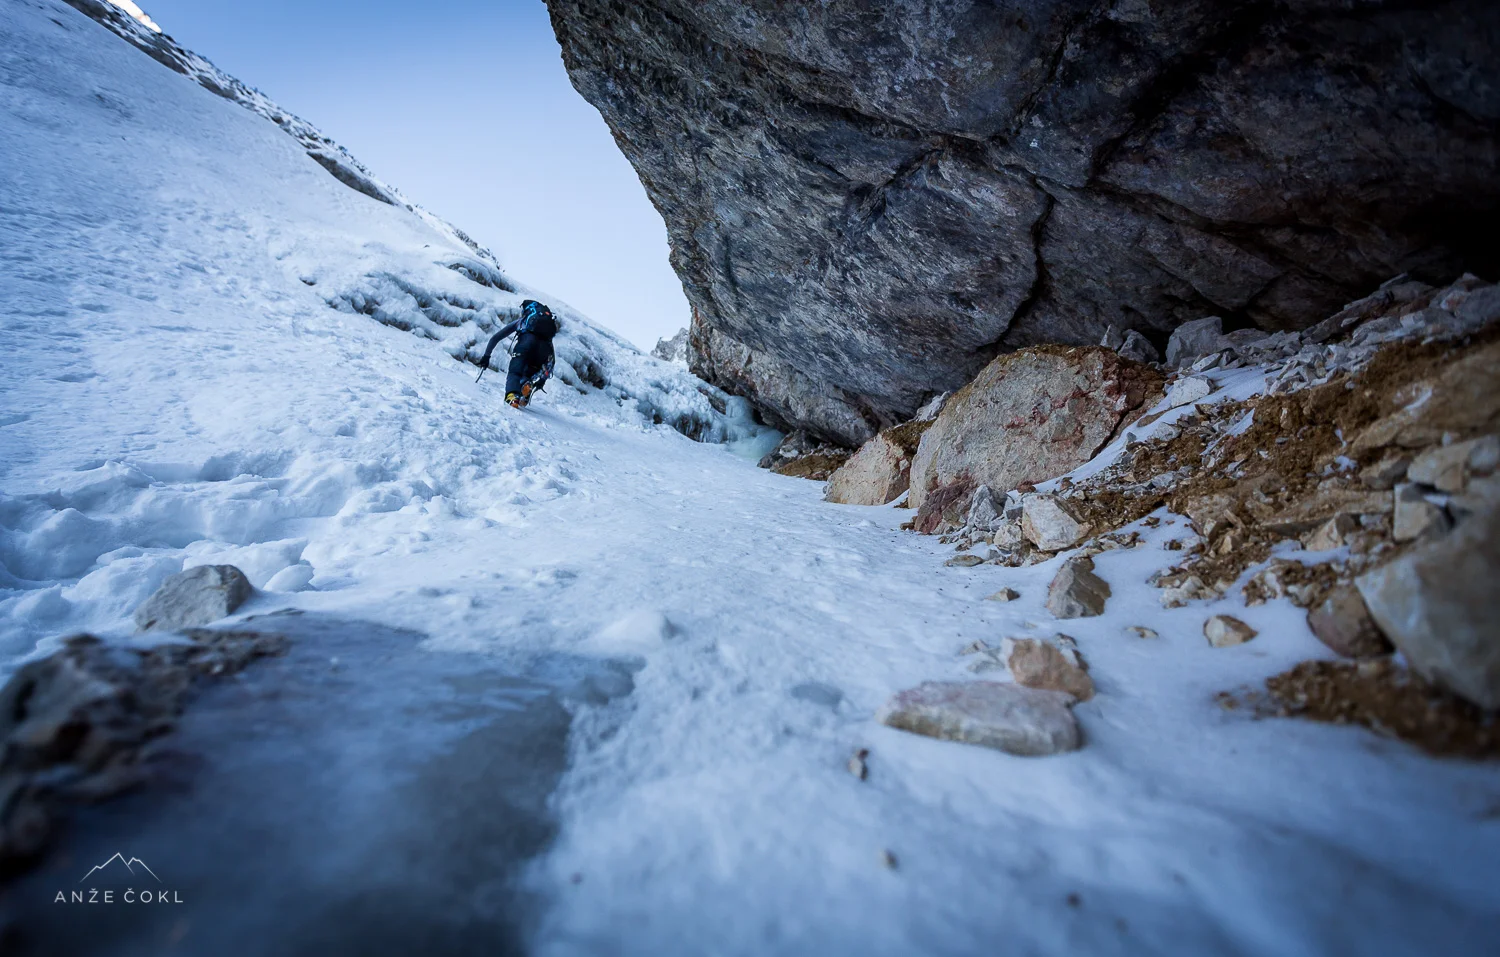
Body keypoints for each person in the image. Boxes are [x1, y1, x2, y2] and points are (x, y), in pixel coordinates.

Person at [478, 300, 558, 408]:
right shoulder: (546, 334)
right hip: (544, 351)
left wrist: (486, 356)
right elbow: (551, 358)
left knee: (515, 371)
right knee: (527, 372)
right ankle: (524, 387)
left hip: (526, 343)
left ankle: (512, 396)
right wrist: (542, 381)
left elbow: (496, 338)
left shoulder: (522, 322)